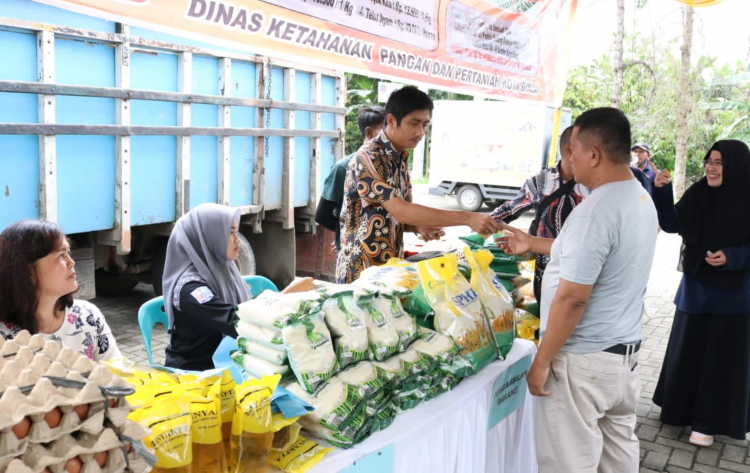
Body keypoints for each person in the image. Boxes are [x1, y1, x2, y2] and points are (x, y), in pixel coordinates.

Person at [498, 108, 658, 473]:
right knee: (618, 459)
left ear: (593, 154)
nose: (568, 158)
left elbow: (573, 298)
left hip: (582, 364)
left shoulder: (595, 211)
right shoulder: (638, 196)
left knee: (568, 463)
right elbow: (595, 255)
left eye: (572, 149)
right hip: (623, 359)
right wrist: (531, 243)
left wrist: (541, 362)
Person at [336, 86, 499, 284]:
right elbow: (401, 210)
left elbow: (387, 215)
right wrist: (467, 218)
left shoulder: (400, 157)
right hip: (360, 272)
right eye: (414, 123)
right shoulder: (368, 157)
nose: (420, 132)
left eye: (425, 124)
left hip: (389, 270)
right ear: (391, 120)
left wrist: (416, 226)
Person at [651, 140, 750, 447]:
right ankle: (678, 411)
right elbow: (670, 223)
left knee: (719, 361)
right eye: (709, 160)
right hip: (696, 289)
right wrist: (661, 190)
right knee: (688, 354)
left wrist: (732, 257)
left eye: (719, 162)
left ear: (734, 165)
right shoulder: (699, 192)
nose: (710, 166)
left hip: (734, 297)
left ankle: (707, 424)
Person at [162, 203, 313, 371]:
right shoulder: (190, 289)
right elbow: (236, 321)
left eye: (236, 232)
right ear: (208, 237)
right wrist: (285, 295)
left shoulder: (223, 270)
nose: (237, 240)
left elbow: (243, 307)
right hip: (194, 376)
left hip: (225, 364)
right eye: (230, 233)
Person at [491, 126, 590, 301]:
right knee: (547, 316)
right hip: (547, 271)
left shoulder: (592, 182)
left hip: (580, 268)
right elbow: (510, 209)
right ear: (569, 151)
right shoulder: (540, 182)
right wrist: (482, 222)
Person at [0, 220, 121, 361]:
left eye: (68, 253)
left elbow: (118, 371)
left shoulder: (88, 316)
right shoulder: (4, 336)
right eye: (61, 255)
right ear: (28, 271)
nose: (72, 262)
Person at [316, 106, 386, 251]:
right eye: (385, 132)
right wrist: (347, 233)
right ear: (369, 132)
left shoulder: (388, 166)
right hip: (353, 255)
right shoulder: (343, 168)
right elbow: (322, 215)